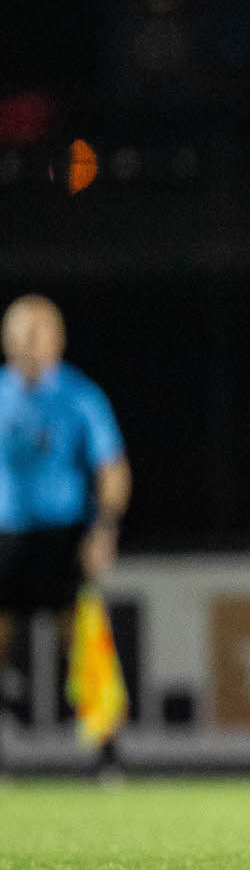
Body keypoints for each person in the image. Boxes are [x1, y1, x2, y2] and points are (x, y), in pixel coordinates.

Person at [0, 295, 131, 761]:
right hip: (6, 534)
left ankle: (106, 746)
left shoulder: (80, 396)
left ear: (57, 340)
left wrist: (105, 527)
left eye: (36, 334)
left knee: (83, 635)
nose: (26, 344)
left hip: (64, 535)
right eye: (18, 334)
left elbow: (111, 469)